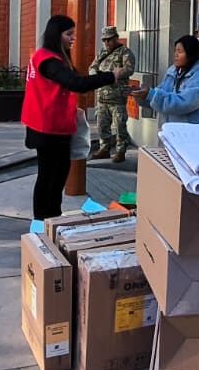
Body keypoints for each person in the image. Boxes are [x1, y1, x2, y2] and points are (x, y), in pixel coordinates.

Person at [22, 15, 132, 219]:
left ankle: (47, 221)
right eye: (68, 34)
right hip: (49, 128)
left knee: (51, 175)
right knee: (51, 177)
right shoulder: (49, 61)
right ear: (57, 35)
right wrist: (111, 76)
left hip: (47, 124)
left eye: (73, 33)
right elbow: (76, 84)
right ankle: (45, 222)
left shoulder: (41, 56)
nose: (73, 38)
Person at [131, 34, 199, 124]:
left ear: (190, 54)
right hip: (172, 131)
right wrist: (143, 96)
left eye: (180, 51)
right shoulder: (172, 72)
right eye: (175, 51)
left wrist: (151, 94)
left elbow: (183, 104)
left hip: (194, 133)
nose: (176, 55)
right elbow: (161, 95)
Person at [88, 26, 136, 163]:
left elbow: (128, 69)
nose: (107, 43)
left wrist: (111, 74)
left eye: (109, 39)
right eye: (104, 40)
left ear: (116, 38)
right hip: (102, 96)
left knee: (120, 125)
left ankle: (121, 150)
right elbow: (92, 67)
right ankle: (104, 148)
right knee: (102, 124)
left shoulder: (124, 52)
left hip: (117, 97)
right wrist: (96, 76)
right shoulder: (102, 53)